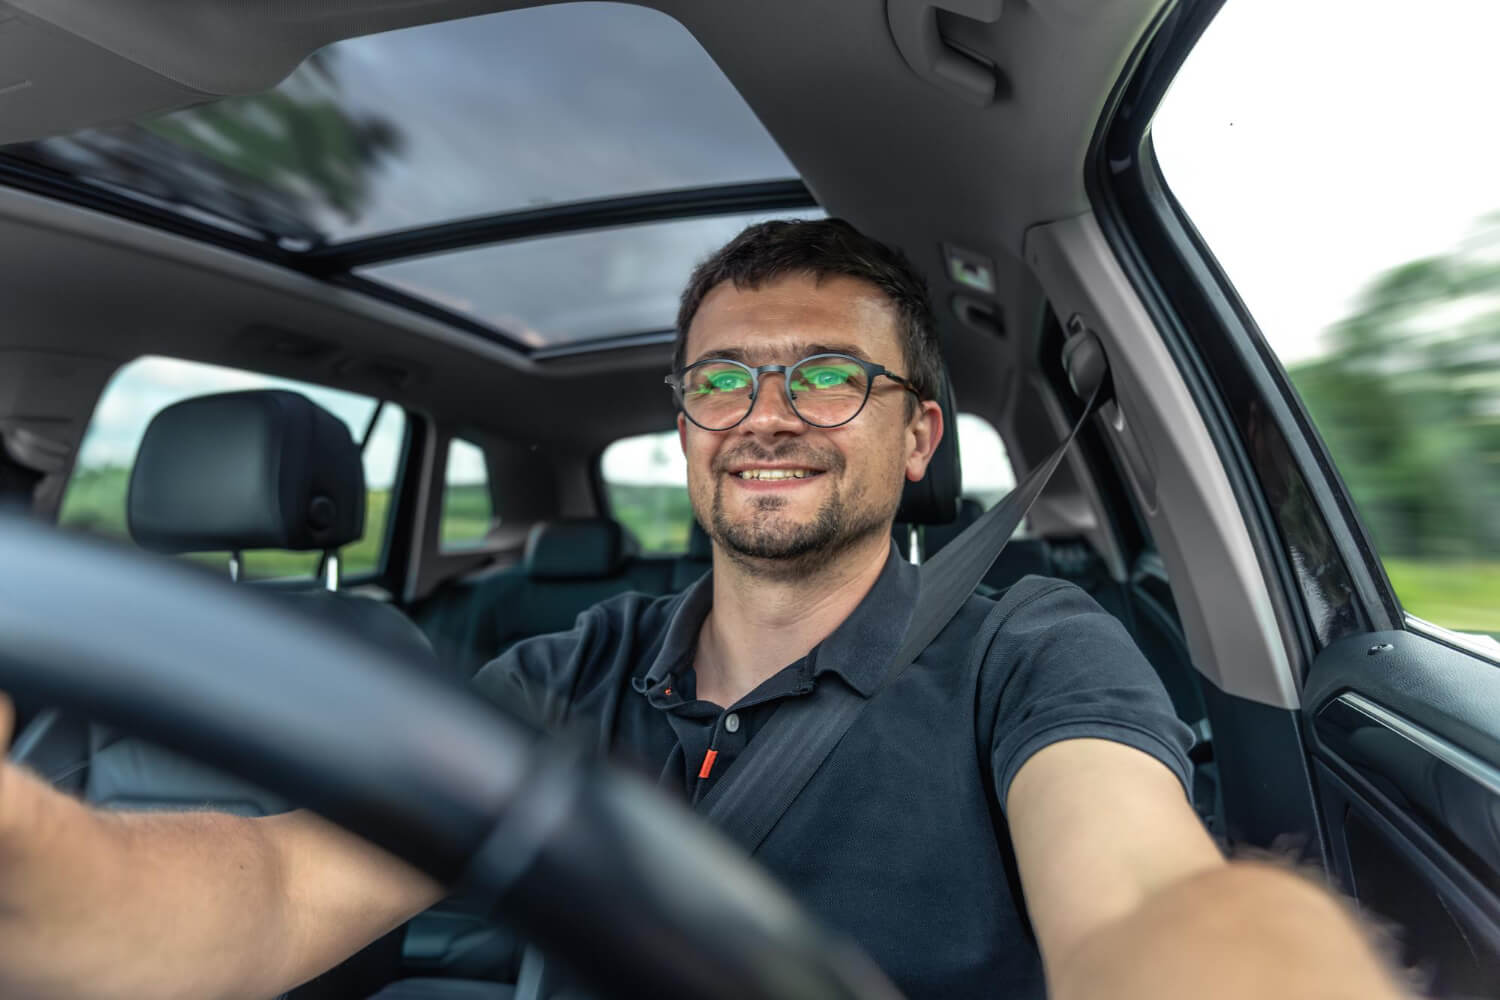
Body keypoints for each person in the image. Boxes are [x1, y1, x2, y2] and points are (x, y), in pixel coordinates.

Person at [0, 219, 1408, 999]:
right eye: (723, 381)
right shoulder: (568, 670)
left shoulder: (1030, 650)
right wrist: (26, 848)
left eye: (828, 377)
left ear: (918, 434)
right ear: (686, 426)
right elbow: (285, 884)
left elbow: (1149, 901)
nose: (766, 417)